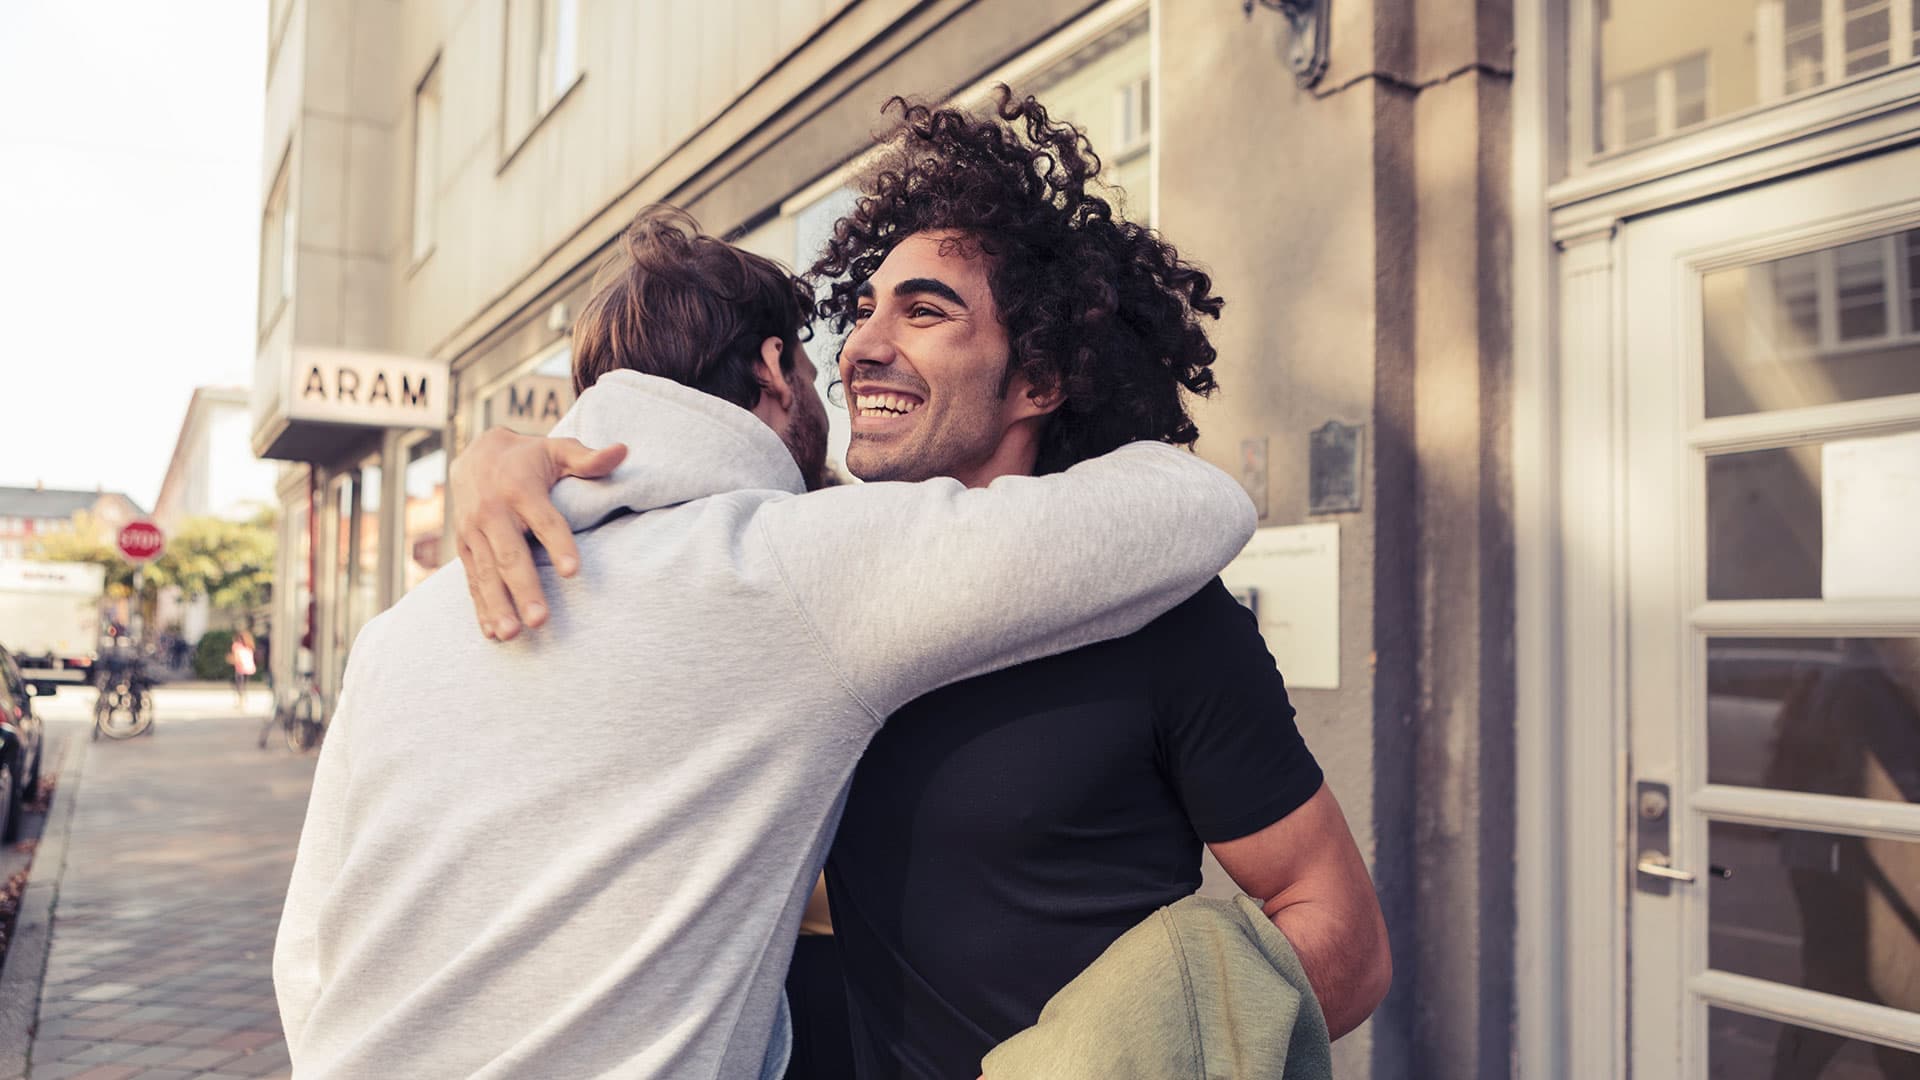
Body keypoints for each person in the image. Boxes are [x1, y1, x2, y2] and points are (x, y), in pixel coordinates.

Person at [457, 90, 1393, 1080]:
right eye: (864, 310)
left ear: (1038, 381)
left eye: (925, 311)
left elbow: (1344, 936)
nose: (861, 345)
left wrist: (1097, 1062)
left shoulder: (1166, 620)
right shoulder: (800, 582)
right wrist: (510, 458)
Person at [272, 206, 1256, 1079]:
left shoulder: (402, 630)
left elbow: (306, 958)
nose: (856, 357)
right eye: (835, 338)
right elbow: (1195, 505)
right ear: (776, 371)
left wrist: (500, 455)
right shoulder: (787, 569)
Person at [228, 627, 256, 706]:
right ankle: (243, 699)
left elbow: (236, 657)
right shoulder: (249, 646)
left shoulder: (237, 646)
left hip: (241, 668)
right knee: (243, 685)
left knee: (239, 685)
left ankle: (241, 701)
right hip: (248, 668)